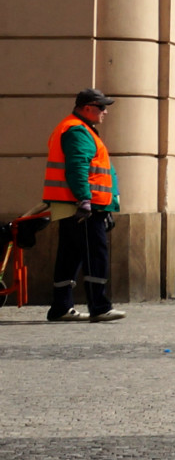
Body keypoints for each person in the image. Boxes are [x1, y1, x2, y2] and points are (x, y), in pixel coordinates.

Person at [44, 88, 123, 323]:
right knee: (94, 255)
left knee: (70, 255)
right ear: (87, 108)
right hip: (83, 206)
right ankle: (99, 307)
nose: (105, 112)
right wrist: (85, 200)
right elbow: (77, 167)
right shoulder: (77, 130)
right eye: (102, 107)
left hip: (73, 204)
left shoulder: (77, 128)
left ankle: (61, 307)